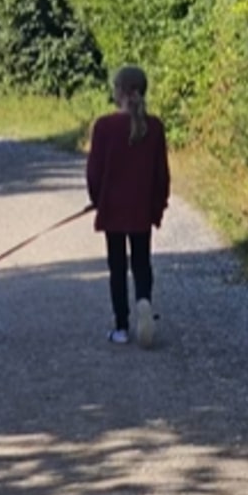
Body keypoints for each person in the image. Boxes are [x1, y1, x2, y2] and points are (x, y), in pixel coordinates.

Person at [86, 64, 170, 348]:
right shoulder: (155, 127)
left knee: (118, 267)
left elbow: (94, 173)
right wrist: (157, 209)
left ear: (120, 91)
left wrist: (98, 200)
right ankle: (144, 302)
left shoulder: (104, 127)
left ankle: (121, 327)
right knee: (142, 262)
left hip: (113, 210)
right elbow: (161, 176)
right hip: (141, 211)